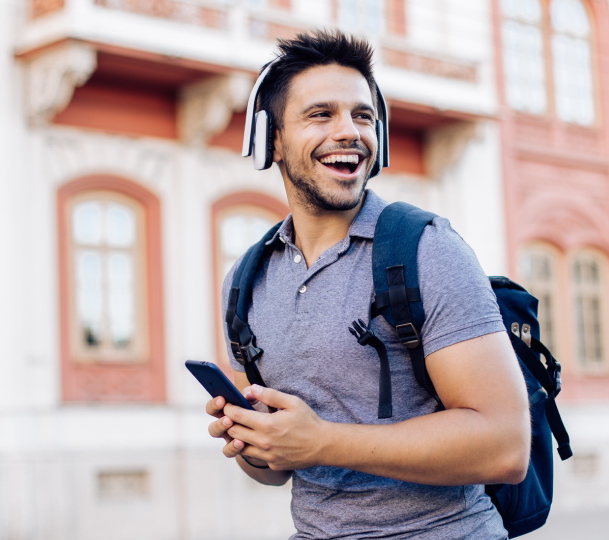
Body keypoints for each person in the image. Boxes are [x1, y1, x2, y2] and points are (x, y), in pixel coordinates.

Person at [205, 30, 530, 539]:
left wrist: (320, 441)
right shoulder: (247, 281)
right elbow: (279, 472)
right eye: (321, 114)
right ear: (271, 140)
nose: (350, 132)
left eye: (363, 115)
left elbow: (505, 446)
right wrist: (256, 441)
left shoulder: (426, 250)